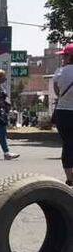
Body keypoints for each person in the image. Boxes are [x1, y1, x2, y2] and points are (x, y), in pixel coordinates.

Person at [51, 44, 73, 185]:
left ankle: (69, 177)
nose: (62, 58)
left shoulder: (59, 72)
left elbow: (57, 92)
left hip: (63, 113)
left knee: (67, 144)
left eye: (64, 55)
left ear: (70, 56)